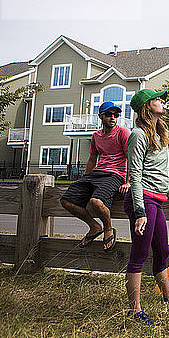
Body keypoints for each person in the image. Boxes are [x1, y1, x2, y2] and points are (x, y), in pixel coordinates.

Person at [124, 89, 169, 327]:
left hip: (157, 200)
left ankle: (168, 296)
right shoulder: (138, 134)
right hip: (143, 199)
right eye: (158, 99)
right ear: (146, 107)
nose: (163, 101)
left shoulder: (161, 132)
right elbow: (133, 174)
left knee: (162, 251)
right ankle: (135, 310)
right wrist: (140, 212)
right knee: (140, 254)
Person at [60, 101, 130, 251]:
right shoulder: (96, 136)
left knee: (96, 202)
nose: (113, 117)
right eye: (108, 114)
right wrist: (84, 181)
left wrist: (128, 182)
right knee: (66, 200)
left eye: (115, 115)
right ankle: (94, 226)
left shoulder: (123, 132)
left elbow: (130, 158)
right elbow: (92, 159)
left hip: (115, 174)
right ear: (100, 116)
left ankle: (108, 228)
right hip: (96, 174)